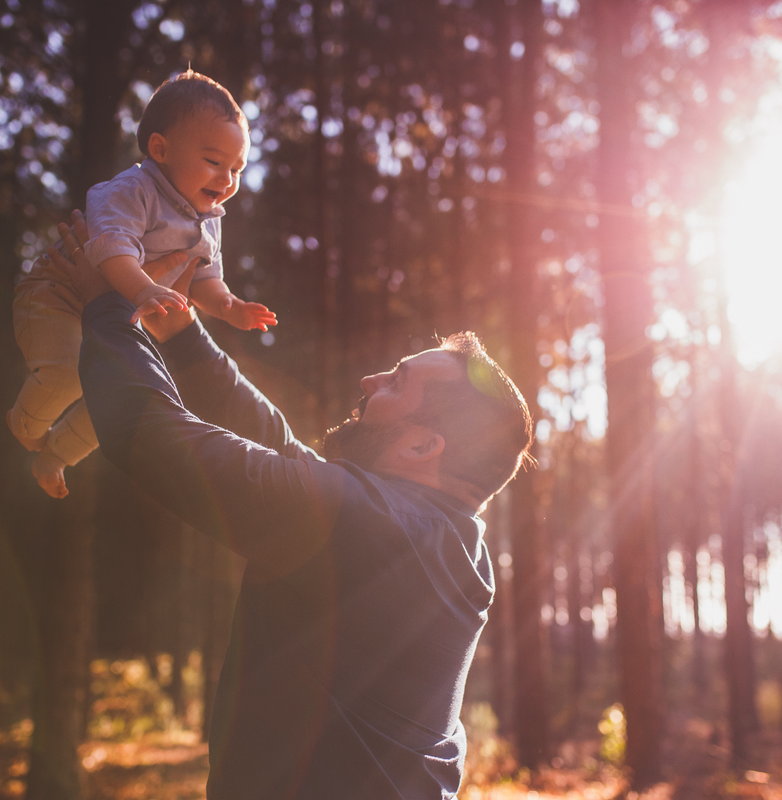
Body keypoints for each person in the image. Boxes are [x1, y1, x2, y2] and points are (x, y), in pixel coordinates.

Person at [46, 214, 533, 799]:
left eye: (397, 385)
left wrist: (108, 301)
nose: (370, 380)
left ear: (424, 444)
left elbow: (151, 438)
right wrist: (183, 333)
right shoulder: (445, 537)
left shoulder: (367, 521)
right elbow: (281, 449)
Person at [6, 70, 276, 499]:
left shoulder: (207, 220)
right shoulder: (133, 190)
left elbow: (205, 278)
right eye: (213, 161)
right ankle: (24, 427)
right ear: (160, 149)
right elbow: (112, 247)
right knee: (67, 376)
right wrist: (144, 289)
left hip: (118, 315)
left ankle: (54, 455)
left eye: (237, 169)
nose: (226, 180)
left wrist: (229, 307)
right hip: (59, 294)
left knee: (122, 395)